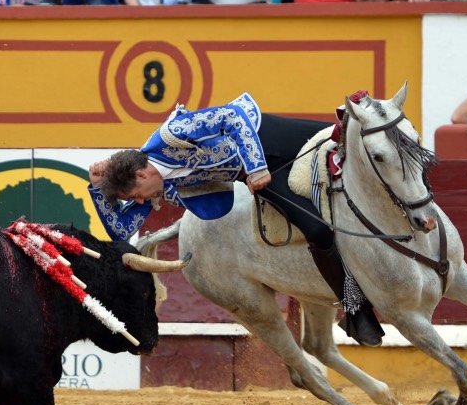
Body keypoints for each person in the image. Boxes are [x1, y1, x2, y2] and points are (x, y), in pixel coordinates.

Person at [87, 93, 385, 347]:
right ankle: (357, 308)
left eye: (136, 195)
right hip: (259, 178)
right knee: (316, 229)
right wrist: (96, 187)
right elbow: (121, 230)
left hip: (268, 137)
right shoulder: (155, 187)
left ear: (140, 175)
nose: (139, 202)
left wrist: (255, 166)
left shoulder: (172, 135)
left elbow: (233, 116)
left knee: (355, 145)